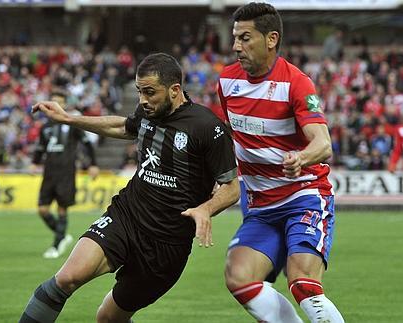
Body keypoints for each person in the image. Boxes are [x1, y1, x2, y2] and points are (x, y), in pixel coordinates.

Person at [19, 53, 240, 323]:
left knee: (108, 318)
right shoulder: (147, 112)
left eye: (150, 92)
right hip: (127, 216)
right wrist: (69, 119)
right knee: (67, 278)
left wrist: (205, 209)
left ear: (175, 90)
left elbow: (231, 187)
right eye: (139, 92)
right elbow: (123, 126)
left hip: (166, 244)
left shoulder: (207, 128)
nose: (143, 100)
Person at [218, 3, 345, 322]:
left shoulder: (297, 83)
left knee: (302, 283)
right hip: (260, 207)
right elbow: (227, 137)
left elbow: (323, 142)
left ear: (271, 39)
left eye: (245, 38)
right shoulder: (227, 82)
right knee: (239, 278)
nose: (236, 47)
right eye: (235, 38)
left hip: (303, 197)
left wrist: (301, 157)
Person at [30, 90, 100, 259]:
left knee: (62, 208)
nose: (56, 105)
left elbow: (87, 144)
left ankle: (56, 245)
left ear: (65, 105)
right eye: (53, 101)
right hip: (49, 173)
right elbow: (40, 148)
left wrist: (92, 164)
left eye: (59, 102)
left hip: (66, 173)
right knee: (42, 209)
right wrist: (34, 162)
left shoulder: (72, 124)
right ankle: (62, 235)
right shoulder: (45, 127)